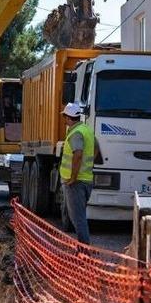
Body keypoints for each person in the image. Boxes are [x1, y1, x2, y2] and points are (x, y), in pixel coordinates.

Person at [59, 102, 97, 244]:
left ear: (69, 118)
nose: (65, 120)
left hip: (77, 182)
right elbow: (96, 147)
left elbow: (78, 154)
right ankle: (83, 249)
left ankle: (84, 251)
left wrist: (73, 177)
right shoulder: (86, 130)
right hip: (86, 180)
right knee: (79, 216)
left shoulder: (76, 133)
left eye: (65, 117)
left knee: (77, 218)